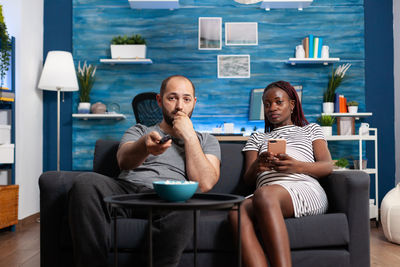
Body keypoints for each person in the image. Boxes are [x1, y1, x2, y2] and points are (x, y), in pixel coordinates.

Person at [68, 75, 221, 267]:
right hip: (127, 190)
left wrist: (189, 136)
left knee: (188, 202)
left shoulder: (207, 140)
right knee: (85, 182)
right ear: (159, 100)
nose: (180, 106)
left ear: (194, 103)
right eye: (172, 98)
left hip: (167, 197)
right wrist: (144, 147)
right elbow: (123, 161)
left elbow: (205, 183)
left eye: (186, 99)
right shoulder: (139, 131)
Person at [229, 80, 333, 267]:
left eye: (278, 102)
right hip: (266, 193)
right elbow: (247, 178)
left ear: (292, 104)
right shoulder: (258, 137)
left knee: (265, 194)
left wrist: (297, 166)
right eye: (267, 104)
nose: (272, 108)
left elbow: (327, 166)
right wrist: (258, 166)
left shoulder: (311, 130)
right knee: (237, 211)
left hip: (303, 188)